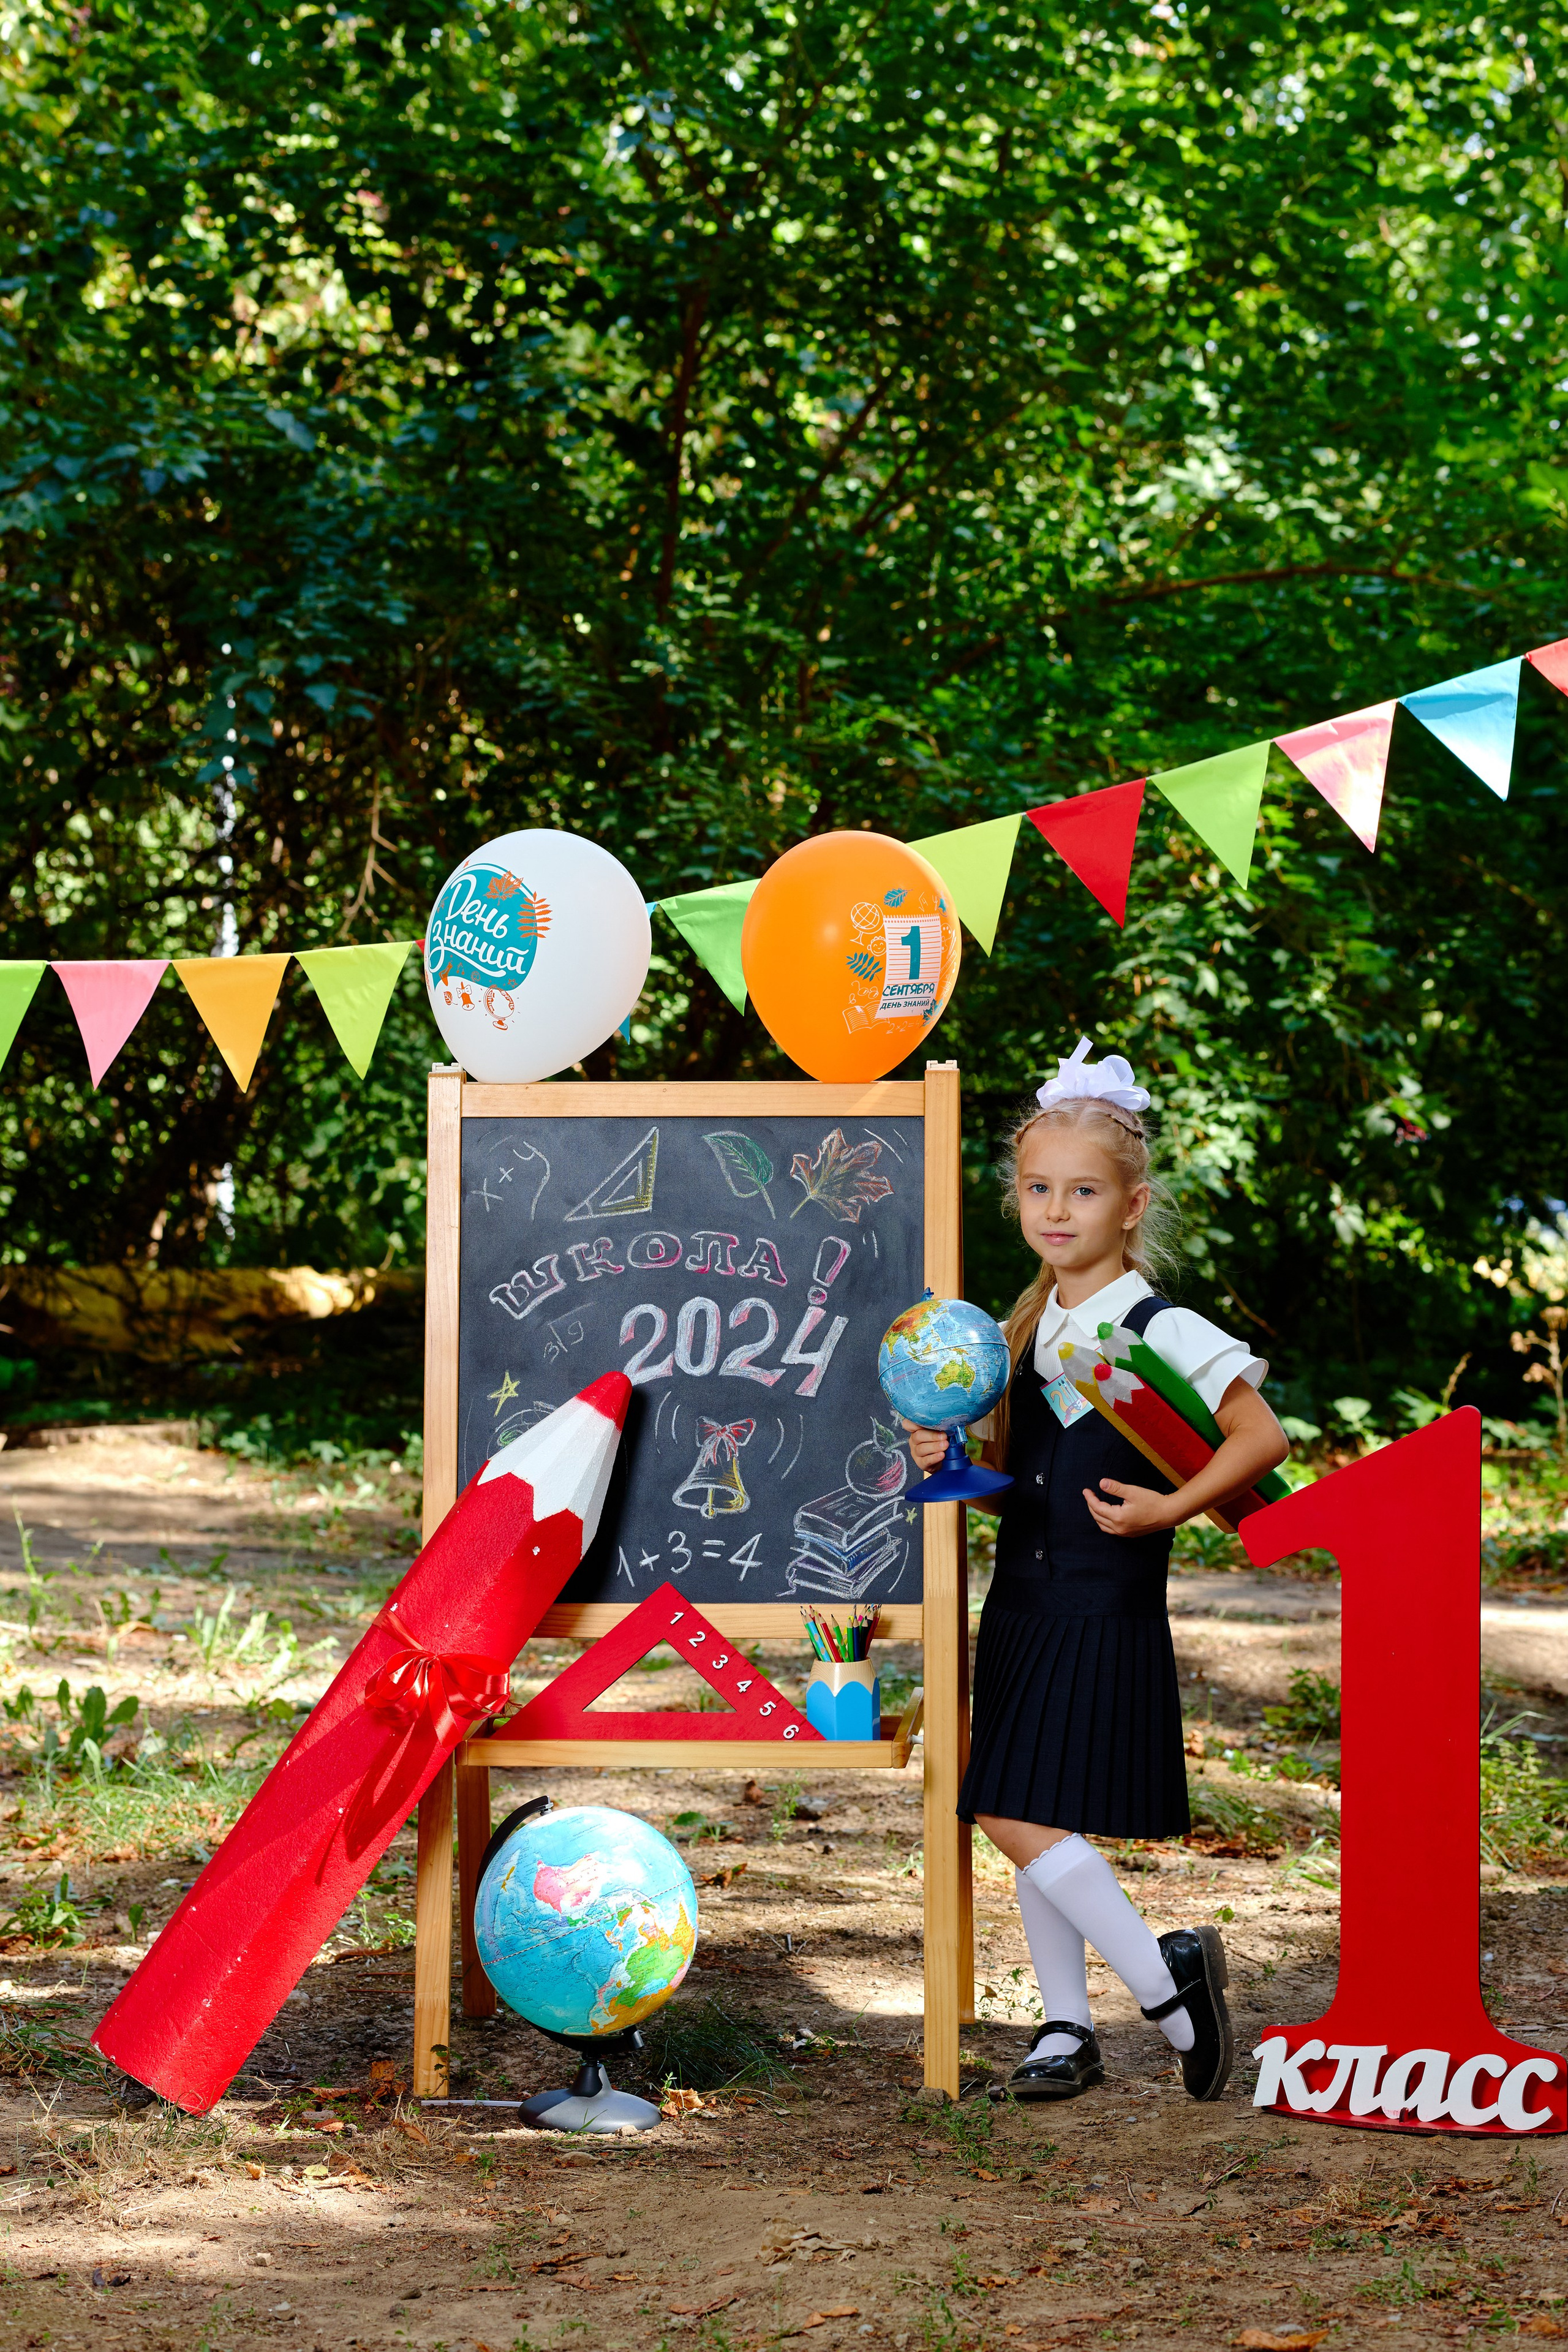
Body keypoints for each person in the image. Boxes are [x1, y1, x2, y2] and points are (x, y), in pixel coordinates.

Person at [904, 1038, 1289, 2104]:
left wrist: (1172, 1505)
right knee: (1038, 1806)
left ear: (1130, 1205)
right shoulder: (1020, 1330)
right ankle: (1067, 2031)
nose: (1056, 1209)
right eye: (1038, 1189)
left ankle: (1169, 1992)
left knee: (1005, 1804)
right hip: (1021, 1599)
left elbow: (1261, 1439)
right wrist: (949, 1458)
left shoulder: (1160, 1325)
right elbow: (1011, 1474)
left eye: (1082, 1191)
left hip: (1101, 1599)